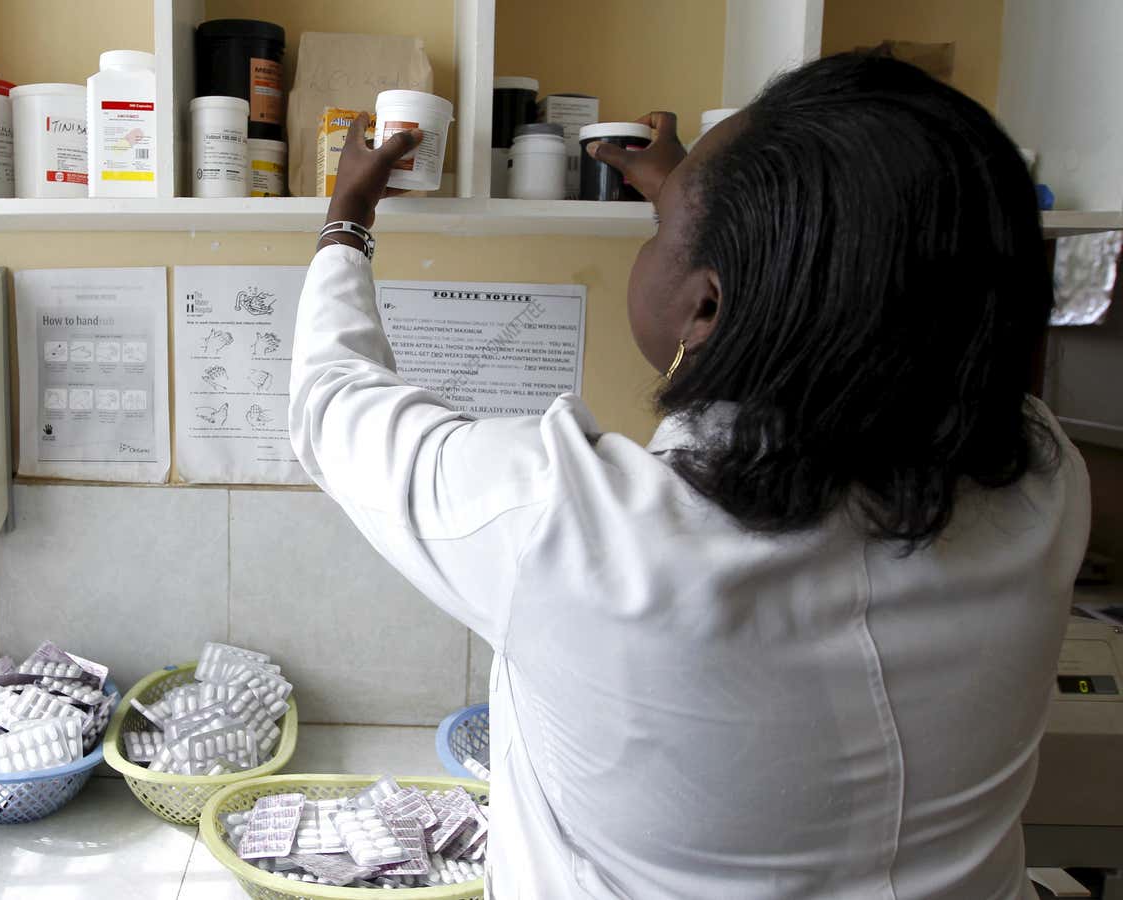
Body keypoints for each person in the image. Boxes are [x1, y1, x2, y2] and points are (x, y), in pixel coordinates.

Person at [289, 53, 1090, 899]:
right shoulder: (1044, 483)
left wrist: (349, 215)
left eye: (659, 231)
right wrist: (714, 206)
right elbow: (890, 301)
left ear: (706, 308)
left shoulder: (571, 530)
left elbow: (331, 402)